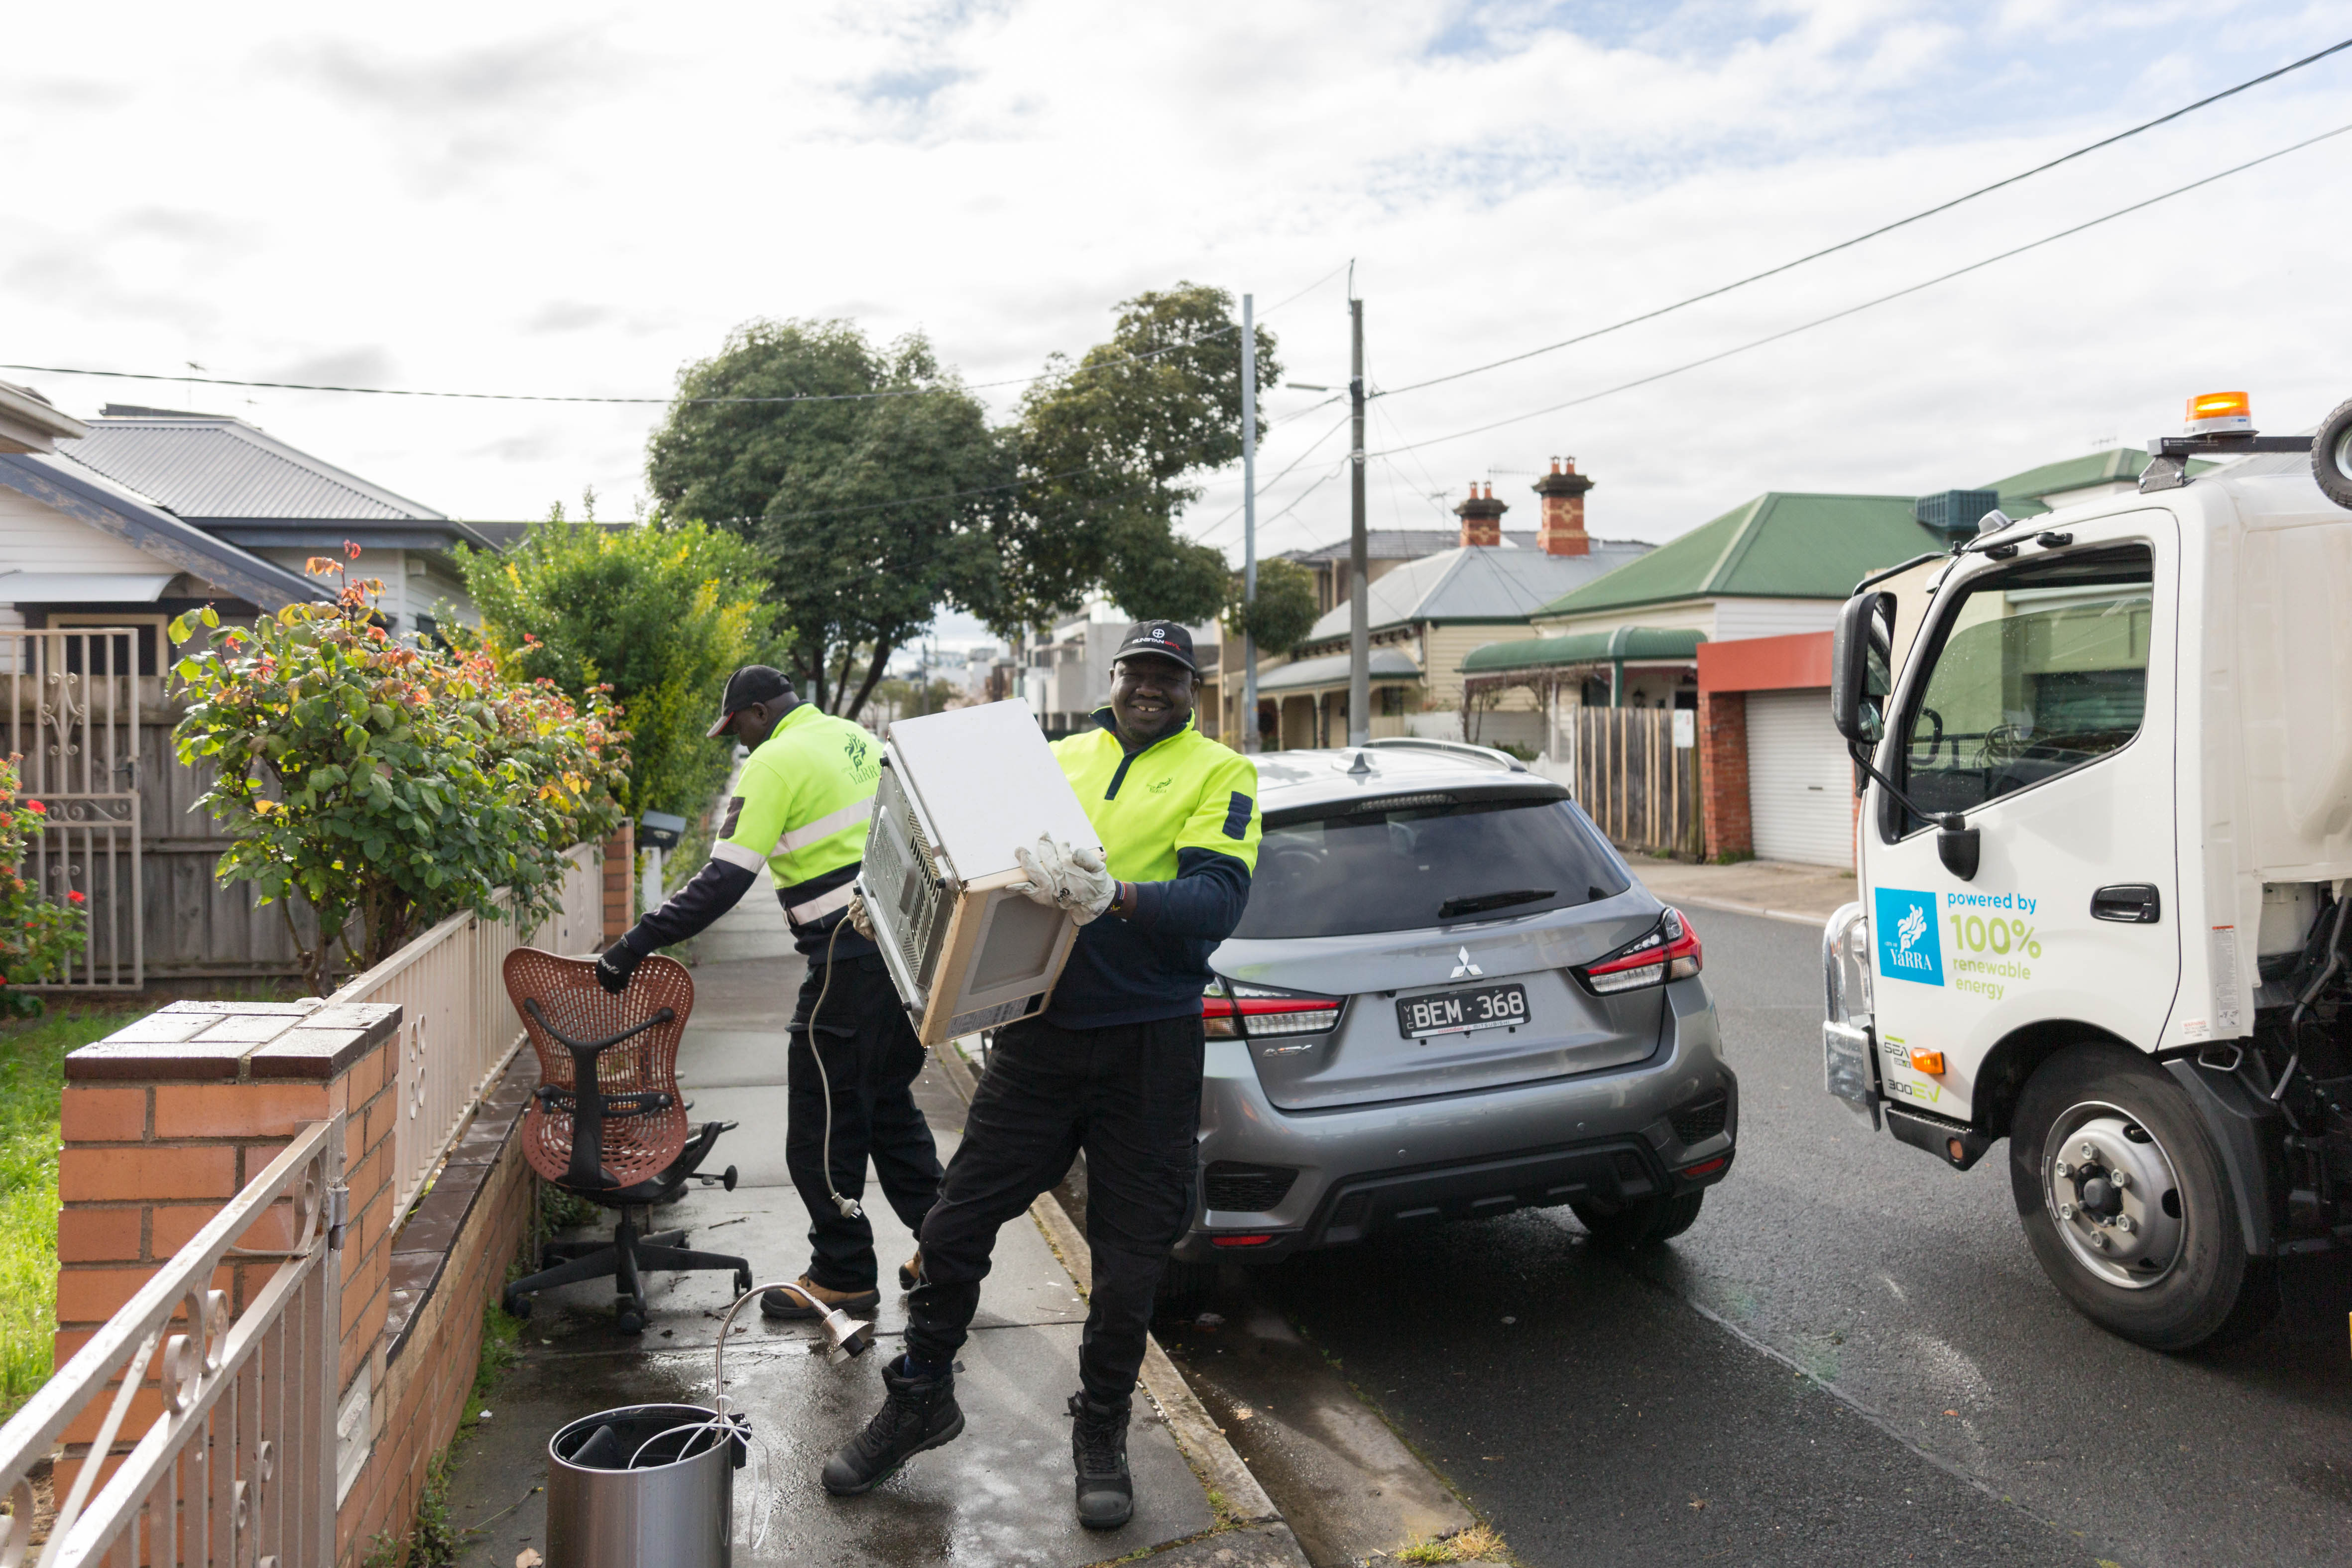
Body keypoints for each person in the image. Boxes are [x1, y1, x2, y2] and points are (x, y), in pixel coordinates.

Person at [821, 621, 1262, 1530]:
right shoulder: (1056, 753)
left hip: (1150, 1046)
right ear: (1114, 677)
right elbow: (968, 854)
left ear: (1191, 689)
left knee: (1132, 1260)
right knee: (954, 1224)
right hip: (1040, 1034)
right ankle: (921, 1396)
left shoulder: (1222, 773)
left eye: (1168, 677)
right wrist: (897, 906)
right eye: (1137, 671)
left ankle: (1100, 1427)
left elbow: (1218, 902)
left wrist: (1118, 897)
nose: (1149, 688)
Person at [597, 664, 941, 1323]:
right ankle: (949, 1251)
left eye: (739, 731)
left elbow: (725, 879)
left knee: (820, 1130)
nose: (742, 746)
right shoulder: (854, 739)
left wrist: (635, 943)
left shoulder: (777, 760)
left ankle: (842, 1275)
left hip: (848, 960)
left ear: (757, 712)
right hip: (905, 959)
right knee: (889, 1114)